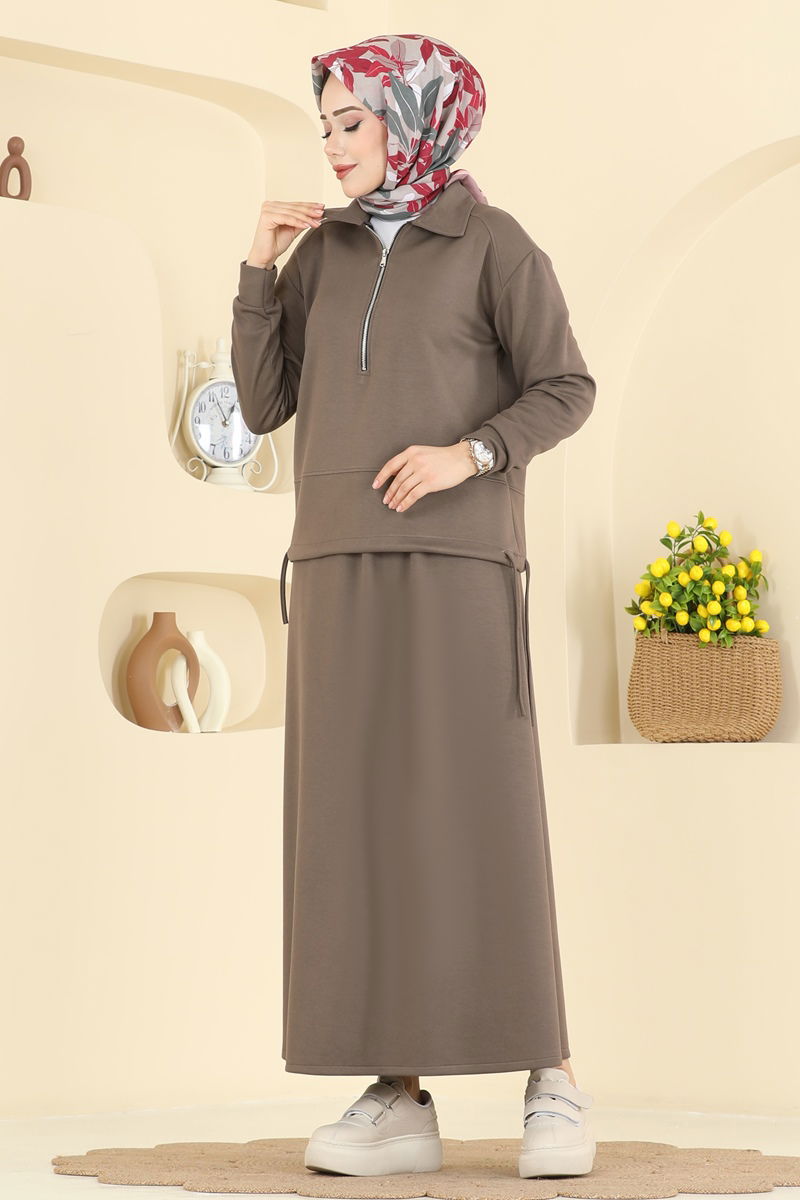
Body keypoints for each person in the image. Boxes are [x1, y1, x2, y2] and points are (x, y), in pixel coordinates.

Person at [230, 33, 597, 1182]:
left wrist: (467, 453)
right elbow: (262, 404)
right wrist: (256, 268)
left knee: (481, 813)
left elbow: (565, 387)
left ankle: (550, 1080)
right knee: (357, 830)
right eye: (325, 124)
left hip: (458, 564)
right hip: (334, 566)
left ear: (415, 118)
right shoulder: (321, 254)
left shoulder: (492, 242)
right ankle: (395, 1097)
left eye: (352, 121)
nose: (333, 143)